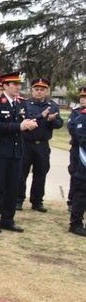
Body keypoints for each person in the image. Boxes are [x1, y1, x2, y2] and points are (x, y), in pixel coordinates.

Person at [0, 72, 38, 233]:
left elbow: (24, 122)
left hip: (16, 151)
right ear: (5, 86)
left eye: (19, 84)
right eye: (14, 84)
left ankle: (8, 219)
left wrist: (29, 125)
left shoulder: (21, 103)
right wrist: (20, 127)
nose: (17, 87)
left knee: (13, 187)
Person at [17, 77, 62, 212]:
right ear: (32, 90)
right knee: (21, 173)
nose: (39, 92)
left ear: (47, 91)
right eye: (36, 89)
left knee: (41, 173)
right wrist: (41, 116)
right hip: (26, 143)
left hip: (42, 145)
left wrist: (51, 120)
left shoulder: (52, 105)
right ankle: (18, 200)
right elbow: (27, 119)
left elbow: (59, 124)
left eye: (42, 90)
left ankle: (37, 201)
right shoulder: (25, 104)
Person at [69, 87, 86, 236]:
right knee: (81, 192)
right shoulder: (82, 117)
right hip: (84, 161)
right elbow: (82, 138)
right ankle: (76, 223)